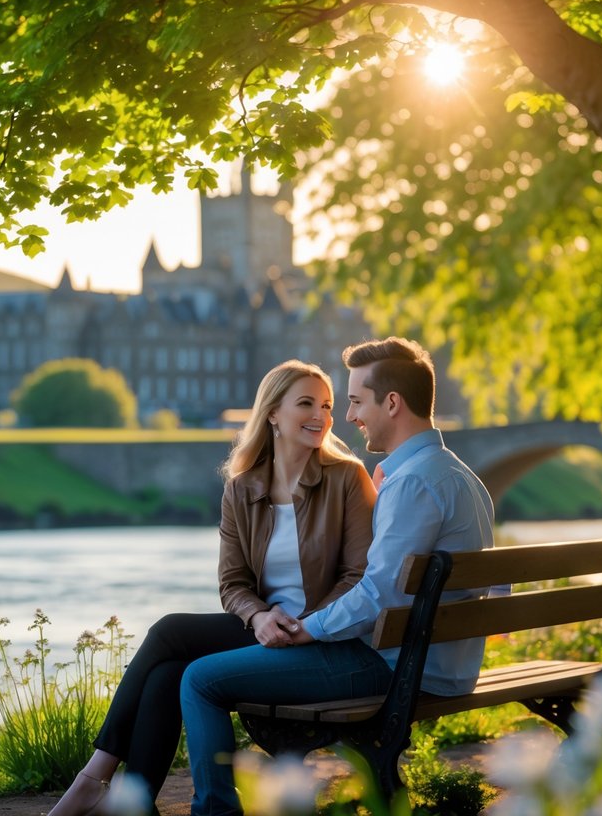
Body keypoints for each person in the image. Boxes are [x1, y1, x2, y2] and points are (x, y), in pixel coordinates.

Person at [178, 337, 495, 816]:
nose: (347, 418)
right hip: (444, 660)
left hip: (397, 665)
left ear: (392, 402)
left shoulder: (410, 482)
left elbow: (378, 592)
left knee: (200, 679)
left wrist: (307, 629)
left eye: (353, 401)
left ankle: (215, 812)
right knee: (177, 650)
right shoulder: (458, 474)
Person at [47, 360, 376, 816]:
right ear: (273, 414)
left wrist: (308, 625)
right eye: (306, 403)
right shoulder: (242, 488)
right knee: (167, 666)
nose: (320, 415)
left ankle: (95, 780)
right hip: (265, 628)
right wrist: (259, 616)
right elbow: (233, 583)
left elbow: (358, 577)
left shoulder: (346, 478)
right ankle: (133, 800)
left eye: (327, 405)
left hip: (321, 636)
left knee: (168, 636)